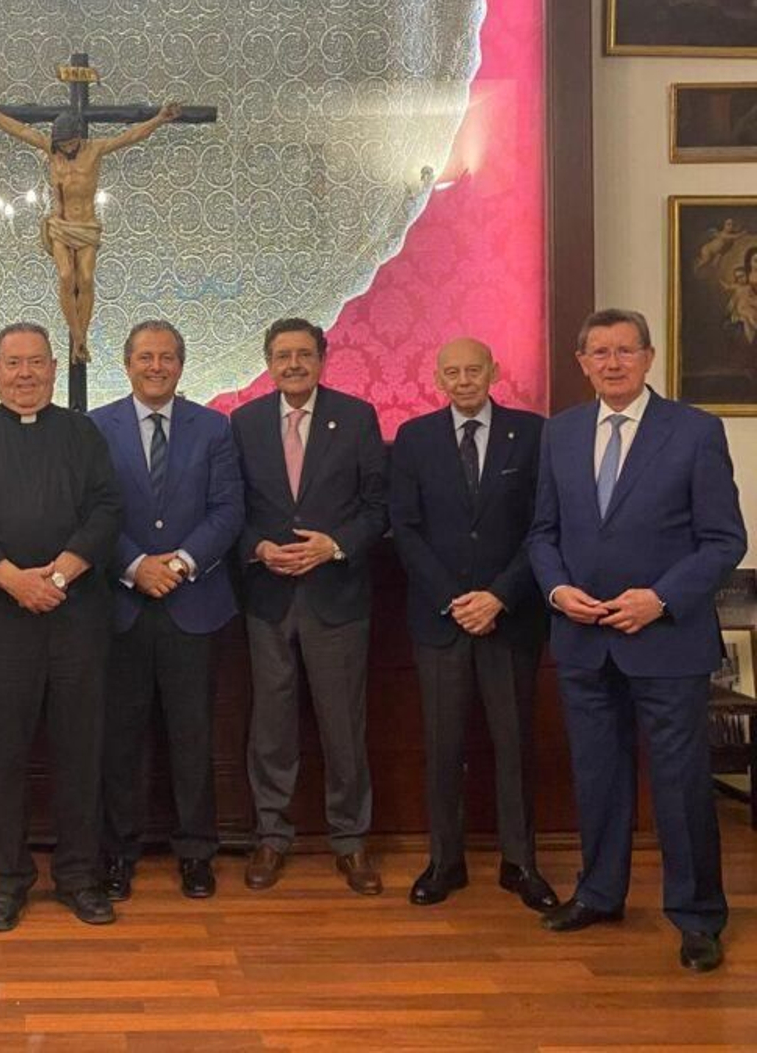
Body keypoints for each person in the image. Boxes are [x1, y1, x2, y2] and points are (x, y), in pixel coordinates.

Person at [527, 309, 744, 973]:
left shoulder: (695, 431)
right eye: (599, 352)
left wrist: (661, 599)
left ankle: (698, 916)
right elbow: (542, 533)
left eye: (625, 350)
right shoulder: (560, 434)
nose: (612, 362)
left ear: (649, 358)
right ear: (581, 362)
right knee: (598, 777)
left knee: (679, 786)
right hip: (583, 638)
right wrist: (558, 591)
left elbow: (724, 541)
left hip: (667, 640)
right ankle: (599, 894)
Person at [0, 322, 122, 931]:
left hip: (77, 619)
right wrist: (15, 580)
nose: (25, 375)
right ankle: (6, 881)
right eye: (12, 363)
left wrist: (61, 575)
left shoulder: (83, 433)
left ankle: (78, 877)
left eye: (36, 363)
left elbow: (105, 509)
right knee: (1, 756)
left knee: (81, 752)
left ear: (50, 368)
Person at [388, 339, 557, 912]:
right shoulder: (414, 439)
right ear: (438, 378)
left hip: (511, 617)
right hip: (441, 618)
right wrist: (456, 599)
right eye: (452, 372)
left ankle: (521, 863)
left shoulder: (533, 434)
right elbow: (404, 528)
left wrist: (499, 597)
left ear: (494, 372)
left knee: (514, 745)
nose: (463, 380)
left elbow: (544, 527)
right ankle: (445, 861)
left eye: (473, 370)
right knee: (442, 746)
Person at [231, 317, 388, 895]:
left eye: (303, 354)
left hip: (336, 596)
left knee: (343, 724)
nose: (293, 364)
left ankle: (350, 841)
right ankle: (271, 836)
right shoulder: (243, 423)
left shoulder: (356, 418)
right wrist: (257, 547)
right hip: (268, 598)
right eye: (281, 355)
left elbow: (379, 507)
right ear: (267, 363)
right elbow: (231, 505)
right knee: (270, 726)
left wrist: (335, 544)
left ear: (323, 358)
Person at [90, 319, 242, 901]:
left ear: (182, 364)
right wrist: (134, 566)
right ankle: (118, 853)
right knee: (119, 738)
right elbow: (92, 510)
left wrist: (177, 563)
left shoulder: (214, 428)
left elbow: (228, 510)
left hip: (193, 603)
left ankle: (197, 852)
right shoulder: (95, 427)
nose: (156, 367)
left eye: (167, 357)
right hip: (120, 607)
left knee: (192, 736)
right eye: (145, 357)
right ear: (126, 364)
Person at [0, 96, 181, 363]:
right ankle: (77, 337)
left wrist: (159, 119)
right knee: (67, 276)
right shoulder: (50, 148)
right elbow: (19, 130)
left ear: (79, 137)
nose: (65, 148)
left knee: (87, 278)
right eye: (62, 143)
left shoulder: (95, 149)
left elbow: (132, 136)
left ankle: (82, 337)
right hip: (60, 224)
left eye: (69, 143)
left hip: (86, 225)